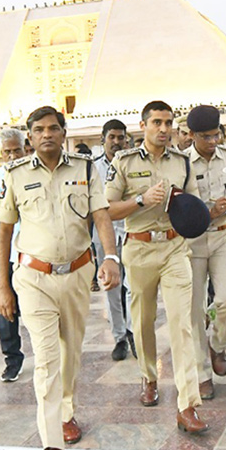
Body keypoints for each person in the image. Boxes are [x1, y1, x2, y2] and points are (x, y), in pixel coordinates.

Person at [0, 106, 120, 450]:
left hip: (78, 273)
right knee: (46, 358)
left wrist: (110, 257)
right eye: (38, 130)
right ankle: (54, 448)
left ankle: (67, 410)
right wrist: (3, 285)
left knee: (70, 353)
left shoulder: (84, 169)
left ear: (64, 133)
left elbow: (100, 215)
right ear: (29, 137)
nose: (46, 135)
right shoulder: (15, 175)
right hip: (33, 277)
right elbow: (3, 232)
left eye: (53, 128)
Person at [104, 100, 208, 434]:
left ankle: (187, 404)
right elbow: (106, 209)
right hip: (139, 248)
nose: (164, 129)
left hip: (176, 248)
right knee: (143, 320)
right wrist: (140, 200)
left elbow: (193, 205)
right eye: (157, 123)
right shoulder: (124, 162)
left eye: (168, 123)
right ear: (143, 126)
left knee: (182, 325)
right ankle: (149, 376)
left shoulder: (183, 162)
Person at [183, 105, 226, 399]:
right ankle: (201, 374)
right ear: (192, 135)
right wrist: (208, 212)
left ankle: (217, 345)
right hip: (192, 242)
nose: (212, 142)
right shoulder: (181, 163)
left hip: (224, 237)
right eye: (205, 137)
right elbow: (179, 208)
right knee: (194, 311)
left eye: (216, 135)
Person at [0, 128, 27, 382]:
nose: (12, 156)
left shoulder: (35, 173)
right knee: (5, 310)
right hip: (5, 255)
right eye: (7, 152)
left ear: (25, 148)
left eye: (16, 150)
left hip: (31, 255)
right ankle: (12, 358)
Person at [94, 119, 135, 360]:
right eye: (112, 137)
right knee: (111, 286)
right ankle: (119, 337)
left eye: (121, 137)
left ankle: (132, 330)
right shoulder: (92, 167)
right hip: (103, 233)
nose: (117, 142)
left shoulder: (133, 162)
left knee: (133, 285)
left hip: (131, 229)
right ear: (103, 139)